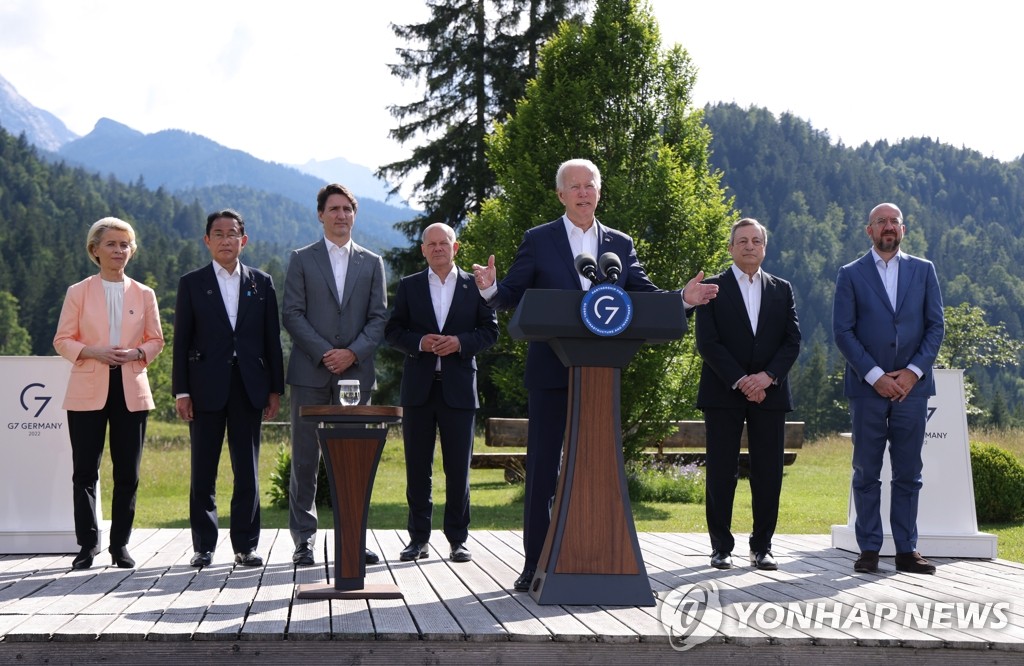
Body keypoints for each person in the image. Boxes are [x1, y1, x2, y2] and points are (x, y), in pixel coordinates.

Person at [471, 158, 719, 592]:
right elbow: (512, 294)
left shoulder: (618, 244)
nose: (584, 193)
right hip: (551, 372)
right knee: (544, 471)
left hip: (602, 376)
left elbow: (643, 294)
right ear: (561, 195)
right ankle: (535, 564)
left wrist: (682, 298)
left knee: (596, 468)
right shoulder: (539, 240)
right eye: (575, 186)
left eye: (590, 186)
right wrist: (490, 288)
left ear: (599, 193)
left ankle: (596, 554)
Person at [833, 202, 944, 575]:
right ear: (869, 230)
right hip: (868, 390)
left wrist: (912, 373)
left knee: (909, 472)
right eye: (881, 221)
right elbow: (843, 333)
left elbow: (935, 328)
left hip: (914, 390)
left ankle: (907, 550)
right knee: (866, 472)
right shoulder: (850, 274)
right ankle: (868, 549)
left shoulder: (924, 271)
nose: (888, 227)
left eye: (894, 221)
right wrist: (876, 376)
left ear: (903, 229)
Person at [172, 209, 285, 568]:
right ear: (207, 240)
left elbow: (272, 339)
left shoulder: (261, 282)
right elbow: (181, 341)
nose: (225, 240)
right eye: (218, 234)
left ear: (243, 240)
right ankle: (204, 546)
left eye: (232, 233)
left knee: (247, 470)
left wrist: (275, 390)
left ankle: (246, 546)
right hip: (204, 386)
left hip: (250, 386)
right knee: (203, 469)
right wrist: (181, 391)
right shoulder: (192, 283)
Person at [283, 183, 388, 566]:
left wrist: (352, 353)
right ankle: (304, 541)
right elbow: (291, 313)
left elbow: (379, 318)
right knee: (305, 460)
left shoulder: (372, 262)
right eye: (334, 209)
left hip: (356, 376)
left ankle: (353, 539)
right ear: (320, 215)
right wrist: (327, 353)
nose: (341, 215)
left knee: (352, 460)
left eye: (347, 209)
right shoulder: (301, 259)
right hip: (310, 373)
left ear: (354, 215)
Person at [53, 217, 165, 570]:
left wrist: (137, 354)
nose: (120, 250)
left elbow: (156, 340)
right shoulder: (78, 291)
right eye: (112, 244)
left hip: (131, 388)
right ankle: (87, 545)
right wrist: (92, 352)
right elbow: (62, 340)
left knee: (127, 473)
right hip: (88, 387)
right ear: (95, 250)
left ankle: (120, 546)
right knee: (85, 471)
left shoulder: (145, 294)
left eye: (125, 244)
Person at [385, 223, 498, 564]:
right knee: (418, 468)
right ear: (423, 250)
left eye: (443, 242)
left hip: (459, 391)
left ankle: (457, 540)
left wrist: (460, 343)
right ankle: (418, 539)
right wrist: (420, 342)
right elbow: (393, 330)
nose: (437, 248)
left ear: (455, 246)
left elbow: (490, 332)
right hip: (419, 390)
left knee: (458, 470)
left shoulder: (474, 285)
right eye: (430, 243)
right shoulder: (409, 286)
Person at [695, 218, 801, 572]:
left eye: (756, 240)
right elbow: (707, 343)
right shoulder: (711, 288)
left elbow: (792, 341)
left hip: (770, 393)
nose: (749, 246)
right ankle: (721, 547)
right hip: (724, 391)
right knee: (722, 471)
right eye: (742, 240)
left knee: (768, 472)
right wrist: (742, 380)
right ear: (730, 247)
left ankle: (762, 547)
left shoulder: (782, 289)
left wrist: (767, 377)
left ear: (764, 247)